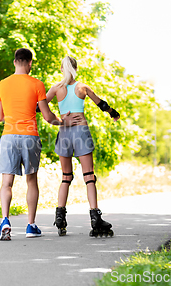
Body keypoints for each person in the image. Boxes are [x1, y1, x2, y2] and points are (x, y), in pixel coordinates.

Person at [0, 48, 79, 241]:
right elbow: (48, 116)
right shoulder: (37, 84)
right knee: (31, 181)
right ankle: (31, 226)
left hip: (9, 136)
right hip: (30, 137)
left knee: (6, 183)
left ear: (14, 62)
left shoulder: (2, 84)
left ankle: (5, 220)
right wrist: (62, 121)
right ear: (30, 63)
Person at [46, 56, 120, 237]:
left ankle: (60, 218)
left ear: (62, 69)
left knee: (66, 177)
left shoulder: (56, 88)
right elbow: (101, 104)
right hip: (80, 131)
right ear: (75, 68)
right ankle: (95, 218)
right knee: (89, 176)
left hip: (64, 131)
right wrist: (113, 113)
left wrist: (60, 120)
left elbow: (39, 107)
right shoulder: (82, 87)